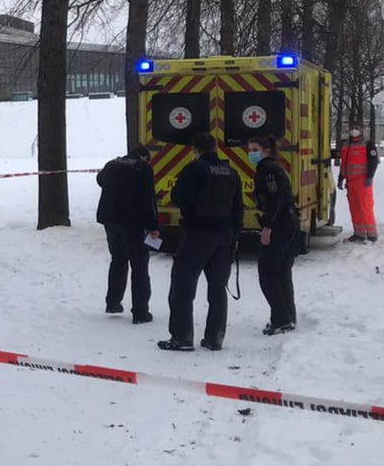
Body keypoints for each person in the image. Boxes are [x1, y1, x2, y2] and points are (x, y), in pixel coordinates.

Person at [158, 132, 243, 352]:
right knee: (217, 289)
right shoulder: (231, 172)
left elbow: (178, 197)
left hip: (198, 234)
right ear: (215, 148)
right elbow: (238, 208)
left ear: (195, 150)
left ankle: (182, 336)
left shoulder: (194, 169)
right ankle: (215, 337)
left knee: (182, 286)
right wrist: (234, 235)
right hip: (224, 235)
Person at [96, 146, 160, 323]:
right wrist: (153, 225)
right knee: (139, 267)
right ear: (145, 157)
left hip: (109, 219)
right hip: (133, 223)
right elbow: (148, 199)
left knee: (118, 259)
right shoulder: (143, 168)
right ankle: (140, 312)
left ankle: (113, 302)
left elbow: (100, 180)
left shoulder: (111, 164)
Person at [248, 136, 299, 335]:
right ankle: (287, 316)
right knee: (282, 273)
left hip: (281, 226)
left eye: (254, 148)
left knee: (267, 273)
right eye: (249, 149)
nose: (250, 153)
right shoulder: (273, 168)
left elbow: (276, 201)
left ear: (266, 150)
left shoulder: (267, 170)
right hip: (289, 224)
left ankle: (281, 318)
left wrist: (268, 227)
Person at [338, 124, 379, 242]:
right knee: (354, 208)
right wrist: (341, 177)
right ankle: (359, 233)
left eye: (356, 128)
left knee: (365, 207)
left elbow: (373, 161)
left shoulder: (367, 144)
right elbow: (344, 163)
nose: (353, 131)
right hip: (351, 182)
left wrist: (369, 177)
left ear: (361, 130)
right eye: (351, 129)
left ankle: (371, 234)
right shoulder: (346, 145)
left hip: (363, 181)